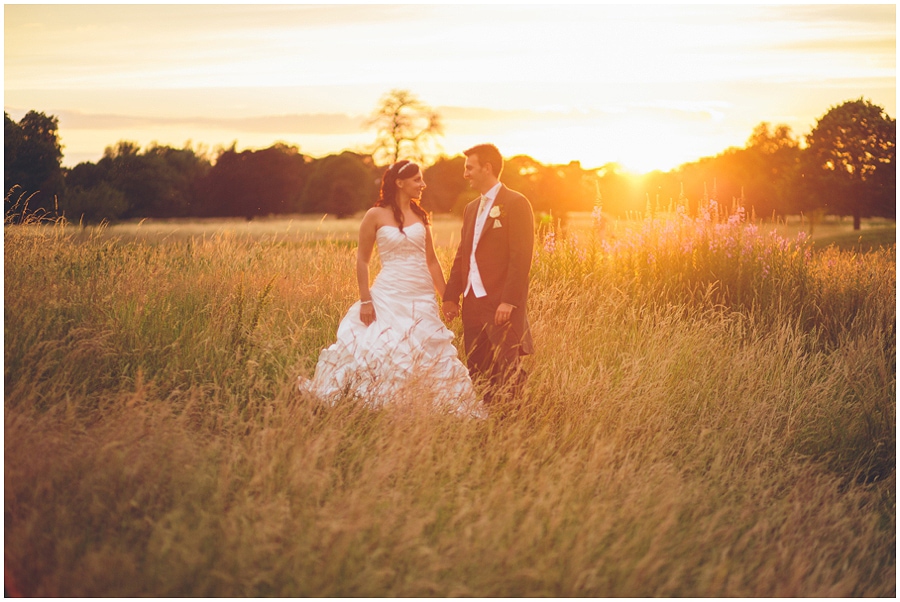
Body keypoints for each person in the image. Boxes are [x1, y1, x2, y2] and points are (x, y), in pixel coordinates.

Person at [298, 160, 482, 417]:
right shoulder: (375, 215)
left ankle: (428, 408)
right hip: (388, 295)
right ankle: (377, 405)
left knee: (424, 351)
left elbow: (431, 261)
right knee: (384, 347)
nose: (422, 184)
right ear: (400, 182)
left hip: (421, 296)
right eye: (417, 179)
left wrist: (447, 299)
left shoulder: (421, 216)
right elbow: (362, 260)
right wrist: (365, 300)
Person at [442, 144, 534, 407]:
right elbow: (463, 255)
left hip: (500, 304)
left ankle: (515, 421)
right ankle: (487, 420)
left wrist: (509, 301)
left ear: (487, 168)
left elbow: (521, 257)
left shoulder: (516, 203)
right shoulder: (471, 208)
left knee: (508, 368)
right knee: (477, 369)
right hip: (472, 303)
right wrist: (451, 297)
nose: (465, 174)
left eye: (469, 168)